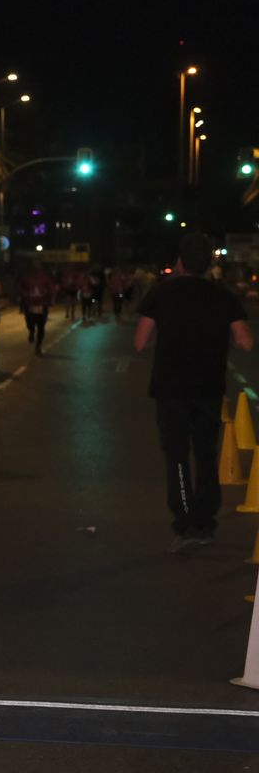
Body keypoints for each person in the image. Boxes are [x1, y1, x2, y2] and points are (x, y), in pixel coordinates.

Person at [134, 234, 254, 553]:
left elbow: (140, 341)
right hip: (209, 388)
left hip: (170, 388)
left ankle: (185, 519)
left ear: (180, 261)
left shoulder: (160, 293)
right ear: (209, 263)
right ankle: (205, 519)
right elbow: (245, 342)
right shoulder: (223, 296)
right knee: (205, 453)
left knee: (176, 455)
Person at [16, 260, 57, 356]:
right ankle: (31, 331)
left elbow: (51, 289)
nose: (36, 268)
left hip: (42, 305)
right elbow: (19, 286)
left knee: (41, 326)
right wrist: (24, 294)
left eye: (38, 266)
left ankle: (38, 346)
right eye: (34, 266)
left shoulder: (45, 278)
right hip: (29, 304)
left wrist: (48, 296)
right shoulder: (27, 277)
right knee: (29, 322)